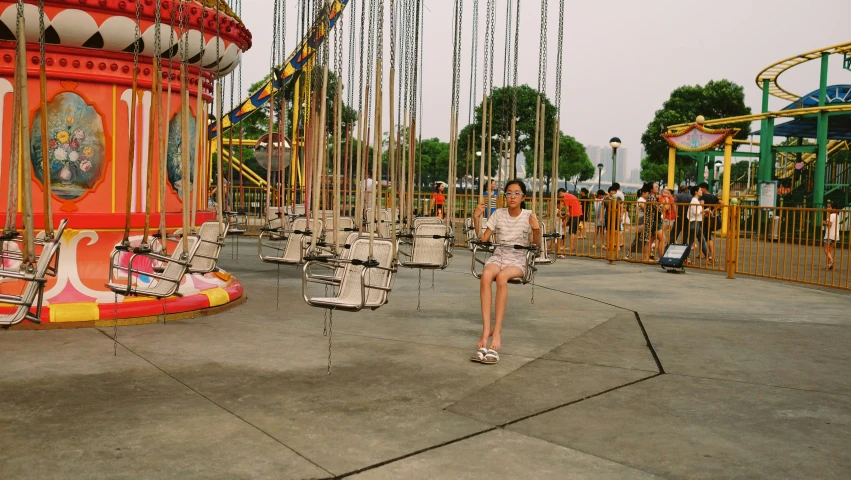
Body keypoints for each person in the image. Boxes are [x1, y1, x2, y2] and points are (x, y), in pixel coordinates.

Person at [471, 179, 541, 364]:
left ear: (523, 197)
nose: (512, 196)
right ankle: (486, 330)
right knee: (486, 275)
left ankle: (497, 333)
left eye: (516, 193)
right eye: (509, 193)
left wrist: (536, 230)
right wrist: (476, 218)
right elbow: (484, 239)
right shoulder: (498, 214)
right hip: (499, 255)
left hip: (518, 258)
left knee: (501, 278)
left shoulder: (528, 215)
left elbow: (536, 246)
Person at [642, 183, 666, 262]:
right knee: (662, 239)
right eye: (656, 187)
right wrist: (664, 203)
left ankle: (646, 258)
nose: (657, 188)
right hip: (654, 220)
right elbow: (659, 209)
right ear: (651, 189)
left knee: (650, 239)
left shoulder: (651, 197)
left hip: (652, 220)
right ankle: (661, 258)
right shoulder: (651, 197)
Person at [698, 182, 721, 263]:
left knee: (705, 236)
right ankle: (705, 254)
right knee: (706, 235)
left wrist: (705, 212)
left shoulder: (703, 197)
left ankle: (709, 255)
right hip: (711, 219)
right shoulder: (713, 196)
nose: (700, 189)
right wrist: (714, 210)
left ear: (704, 188)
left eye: (700, 188)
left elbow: (701, 206)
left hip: (704, 218)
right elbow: (722, 203)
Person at [683, 186, 706, 264]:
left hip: (696, 222)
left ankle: (709, 256)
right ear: (696, 192)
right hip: (695, 222)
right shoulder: (694, 201)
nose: (701, 191)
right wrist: (703, 210)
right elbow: (695, 212)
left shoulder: (695, 200)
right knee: (691, 242)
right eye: (700, 190)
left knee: (701, 240)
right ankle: (686, 257)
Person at [559, 188, 583, 257]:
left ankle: (571, 247)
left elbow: (567, 211)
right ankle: (573, 246)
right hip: (579, 214)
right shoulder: (570, 195)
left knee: (571, 231)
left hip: (574, 214)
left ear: (561, 193)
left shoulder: (566, 197)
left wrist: (565, 221)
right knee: (574, 231)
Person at [626, 187, 647, 259]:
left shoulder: (643, 199)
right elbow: (644, 208)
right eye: (647, 193)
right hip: (641, 219)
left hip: (642, 219)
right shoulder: (641, 200)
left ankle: (647, 254)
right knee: (638, 237)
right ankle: (629, 252)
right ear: (643, 193)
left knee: (644, 238)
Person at [824, 201, 839, 270]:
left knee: (826, 250)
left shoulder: (831, 215)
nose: (828, 208)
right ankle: (828, 264)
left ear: (834, 208)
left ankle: (831, 260)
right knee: (830, 251)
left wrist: (824, 222)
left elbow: (830, 225)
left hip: (829, 235)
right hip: (835, 235)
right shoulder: (837, 215)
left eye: (829, 207)